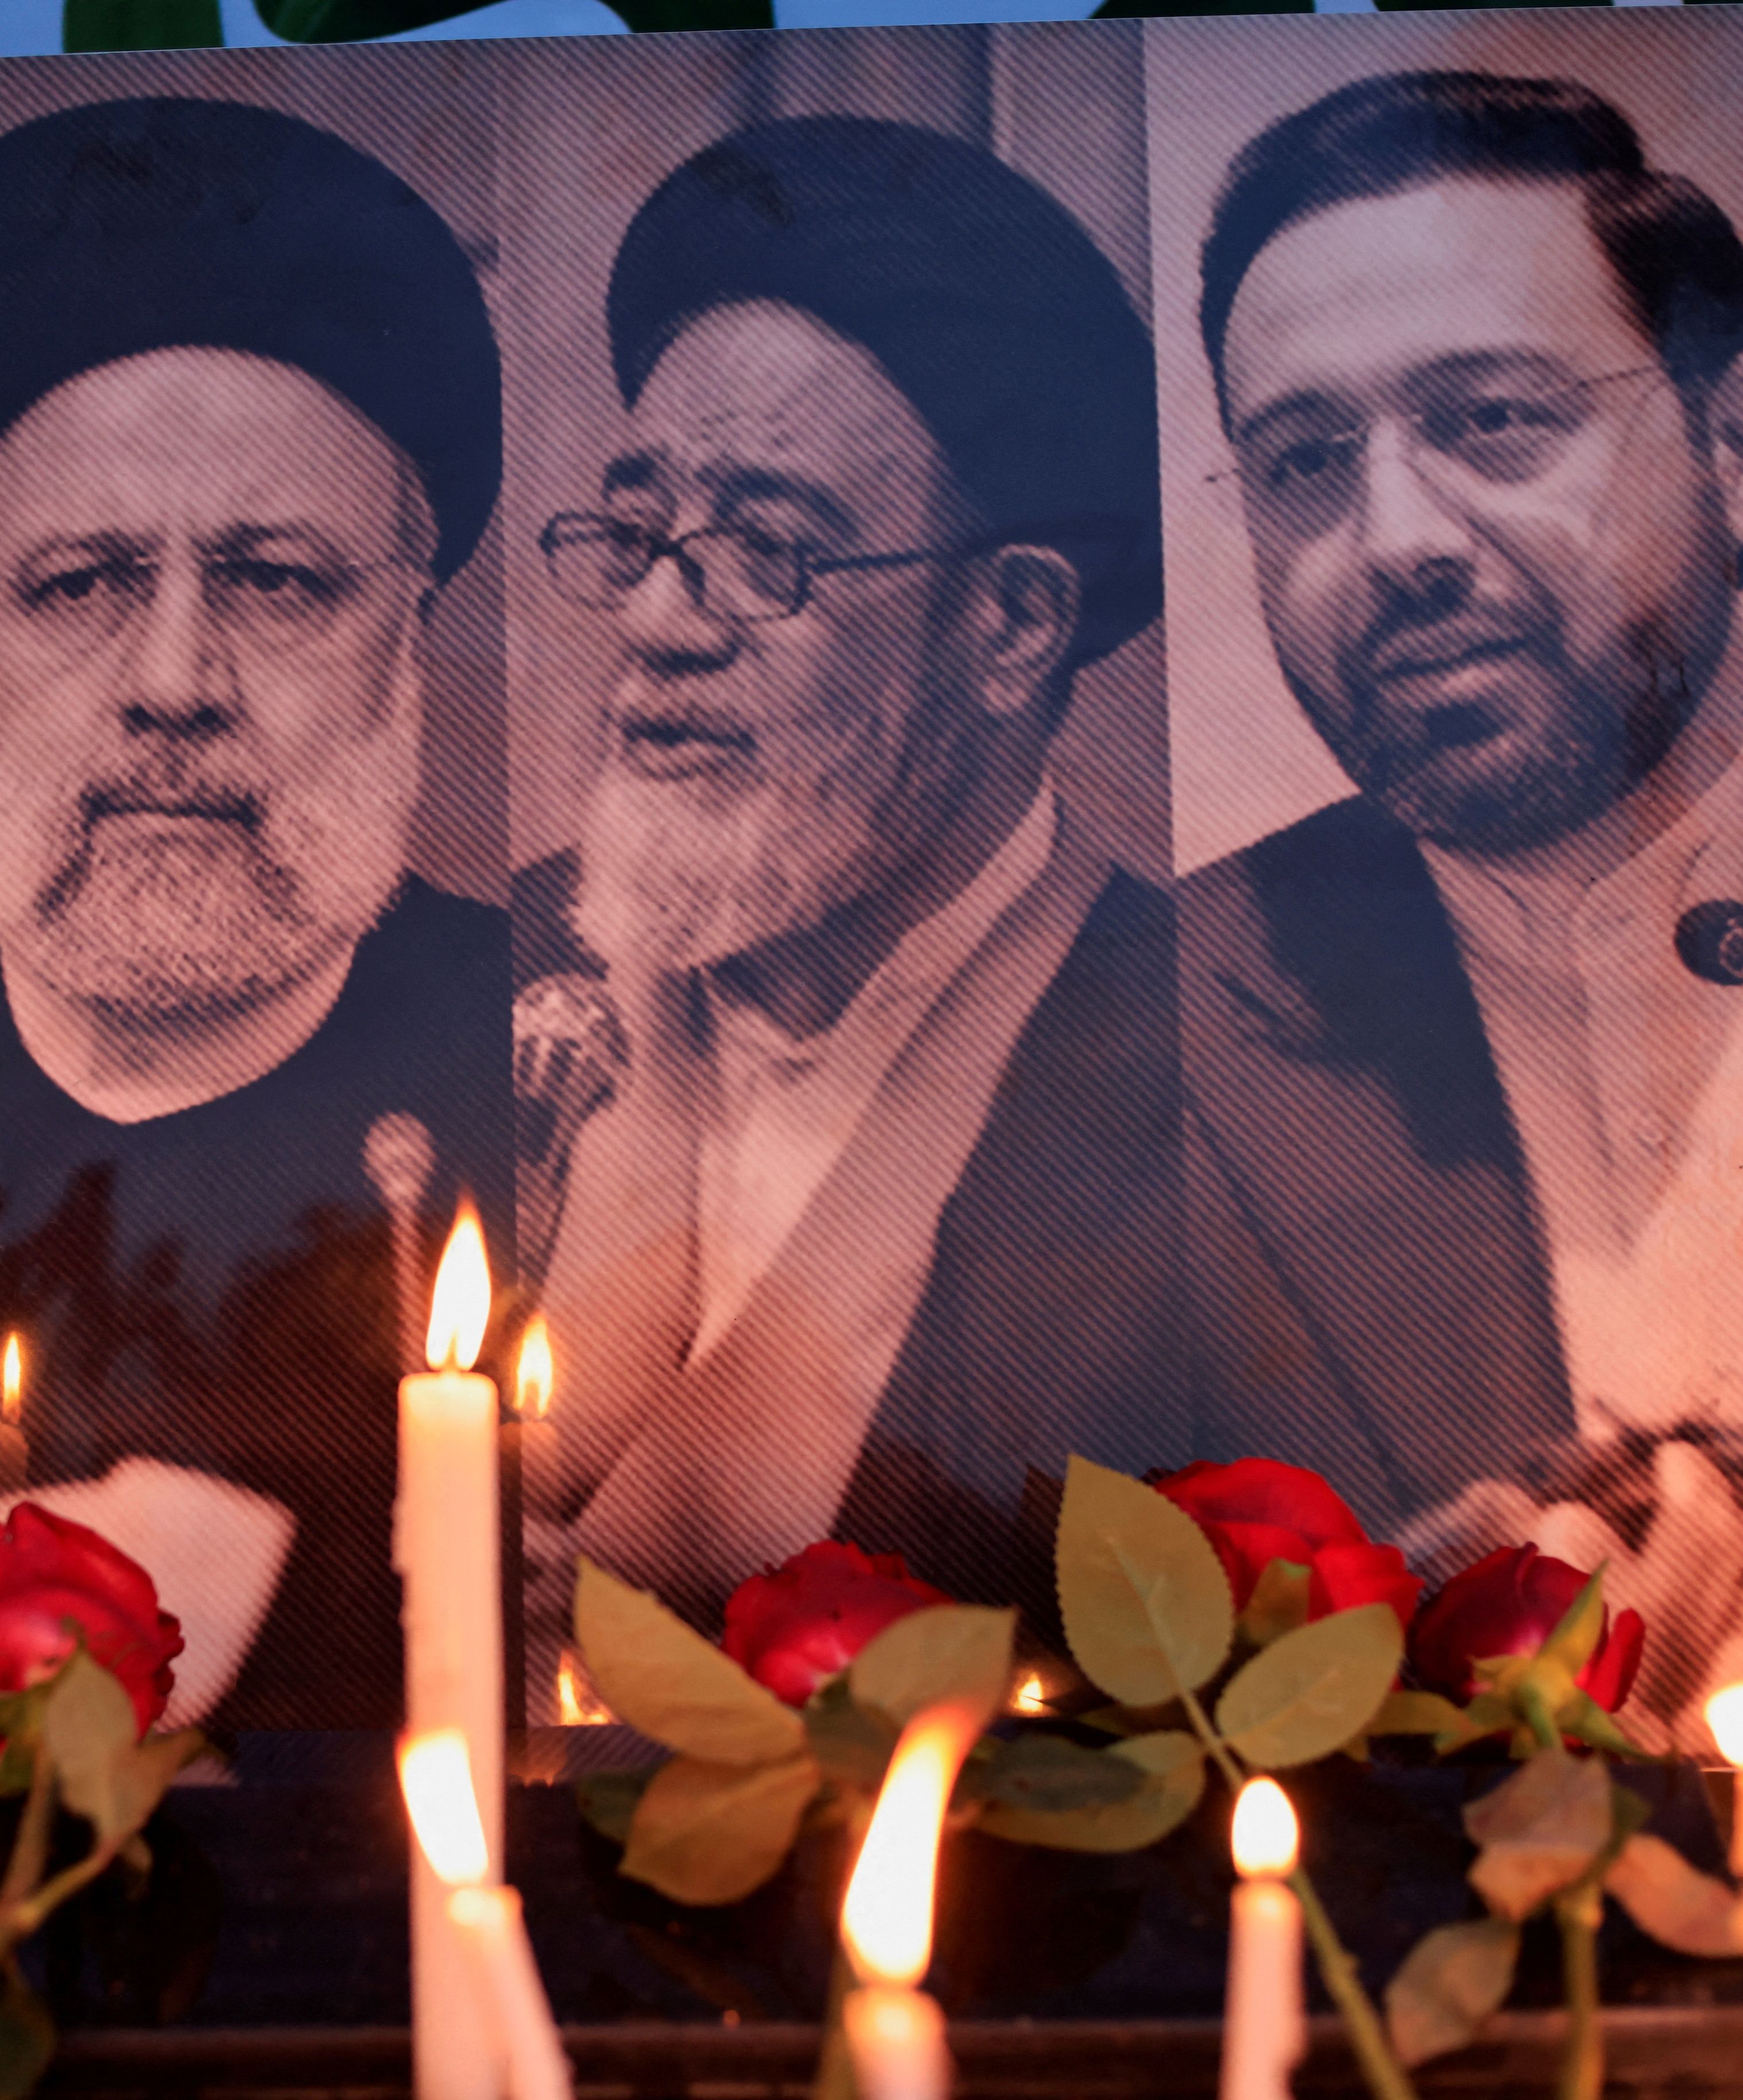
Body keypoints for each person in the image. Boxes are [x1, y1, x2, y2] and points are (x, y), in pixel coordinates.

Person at [1177, 70, 1743, 1747]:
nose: (1395, 536)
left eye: (1492, 418)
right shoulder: (1132, 1016)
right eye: (1304, 460)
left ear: (1742, 453)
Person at [0, 97, 508, 1732]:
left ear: (406, 637)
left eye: (278, 580)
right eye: (78, 583)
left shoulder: (581, 1073)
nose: (172, 685)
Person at [513, 116, 1178, 1637]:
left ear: (1009, 624)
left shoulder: (1199, 1073)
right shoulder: (468, 968)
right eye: (635, 533)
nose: (658, 623)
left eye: (768, 551)